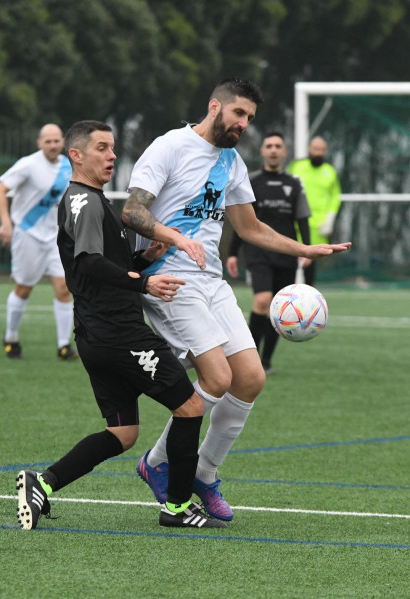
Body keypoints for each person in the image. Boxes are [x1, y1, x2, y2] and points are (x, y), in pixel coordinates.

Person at [121, 79, 350, 522]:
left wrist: (305, 249)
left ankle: (205, 474)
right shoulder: (169, 147)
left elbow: (250, 228)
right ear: (215, 107)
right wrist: (173, 238)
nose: (244, 124)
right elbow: (133, 212)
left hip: (210, 281)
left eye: (249, 119)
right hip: (169, 277)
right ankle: (157, 464)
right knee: (218, 376)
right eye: (239, 114)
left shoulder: (232, 162)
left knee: (250, 378)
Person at [15, 120, 226, 531]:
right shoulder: (85, 202)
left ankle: (43, 483)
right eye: (101, 148)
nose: (112, 156)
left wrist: (144, 260)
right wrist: (145, 281)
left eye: (113, 149)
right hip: (119, 332)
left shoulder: (91, 200)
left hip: (96, 334)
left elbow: (103, 265)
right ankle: (178, 509)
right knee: (191, 407)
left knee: (124, 432)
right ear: (76, 155)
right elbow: (90, 265)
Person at [226, 132, 312, 374]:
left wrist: (306, 250)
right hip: (258, 252)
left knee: (279, 307)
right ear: (262, 151)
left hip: (285, 252)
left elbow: (302, 219)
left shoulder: (294, 184)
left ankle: (266, 361)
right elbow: (242, 222)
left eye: (278, 146)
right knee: (262, 300)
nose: (273, 150)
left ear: (284, 152)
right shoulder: (251, 181)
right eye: (269, 146)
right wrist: (233, 253)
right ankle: (250, 360)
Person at [0, 123, 77, 360]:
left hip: (56, 237)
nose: (53, 145)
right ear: (39, 143)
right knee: (24, 288)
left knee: (63, 288)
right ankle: (11, 337)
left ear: (63, 143)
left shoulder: (67, 167)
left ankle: (64, 346)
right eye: (47, 141)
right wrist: (6, 223)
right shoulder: (28, 165)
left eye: (56, 141)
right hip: (28, 233)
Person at [286, 135, 342, 286]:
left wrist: (330, 218)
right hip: (293, 224)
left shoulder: (330, 172)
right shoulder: (297, 167)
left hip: (317, 228)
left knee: (309, 266)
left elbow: (335, 197)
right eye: (315, 149)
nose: (318, 152)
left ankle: (308, 302)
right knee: (287, 264)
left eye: (322, 150)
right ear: (309, 149)